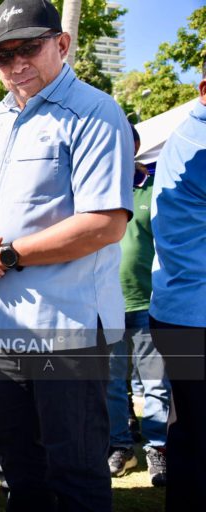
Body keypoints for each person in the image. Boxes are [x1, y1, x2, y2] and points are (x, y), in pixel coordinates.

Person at [0, 1, 133, 510]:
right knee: (19, 463)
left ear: (62, 43)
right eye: (3, 55)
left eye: (28, 48)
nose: (15, 64)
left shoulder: (96, 112)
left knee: (74, 467)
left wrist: (8, 256)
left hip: (68, 327)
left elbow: (104, 224)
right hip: (4, 327)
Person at [149, 59, 206, 512]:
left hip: (178, 309)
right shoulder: (200, 144)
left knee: (188, 429)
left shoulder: (186, 132)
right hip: (194, 314)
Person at [106, 124, 169, 485]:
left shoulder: (154, 188)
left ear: (135, 147)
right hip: (108, 303)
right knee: (113, 385)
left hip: (148, 301)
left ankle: (158, 450)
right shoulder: (97, 187)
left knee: (156, 383)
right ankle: (121, 447)